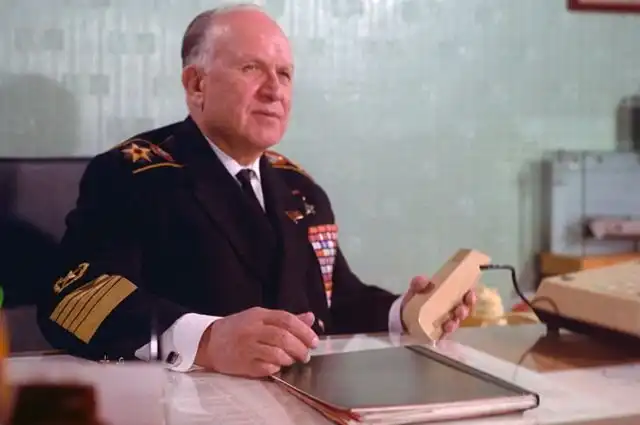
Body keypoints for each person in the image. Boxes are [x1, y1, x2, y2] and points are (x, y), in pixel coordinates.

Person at [36, 4, 476, 378]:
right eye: (251, 69)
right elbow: (74, 299)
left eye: (284, 74)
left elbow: (333, 304)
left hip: (302, 402)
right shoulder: (132, 175)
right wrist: (206, 340)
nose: (274, 90)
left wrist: (406, 312)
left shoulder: (301, 190)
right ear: (196, 84)